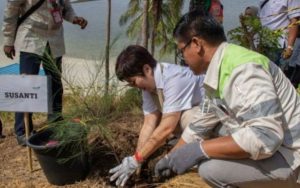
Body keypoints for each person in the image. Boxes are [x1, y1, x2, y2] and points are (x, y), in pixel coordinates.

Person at [155, 10, 300, 188]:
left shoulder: (244, 70)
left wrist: (200, 150)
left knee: (210, 169)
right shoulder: (218, 70)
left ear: (196, 44)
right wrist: (171, 158)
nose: (182, 58)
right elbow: (199, 126)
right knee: (204, 125)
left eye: (182, 51)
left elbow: (266, 137)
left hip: (291, 157)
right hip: (277, 149)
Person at [109, 45, 206, 187]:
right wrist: (137, 162)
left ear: (147, 69)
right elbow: (149, 123)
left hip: (216, 121)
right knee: (171, 120)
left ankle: (200, 159)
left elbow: (167, 127)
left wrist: (136, 159)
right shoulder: (148, 86)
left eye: (133, 82)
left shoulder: (174, 79)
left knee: (188, 117)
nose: (134, 86)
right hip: (190, 124)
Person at [2, 0, 88, 146]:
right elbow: (11, 11)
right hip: (31, 38)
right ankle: (23, 131)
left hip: (54, 40)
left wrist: (74, 18)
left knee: (55, 83)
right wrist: (8, 41)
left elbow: (66, 8)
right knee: (26, 86)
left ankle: (55, 124)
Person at [259, 0, 300, 67]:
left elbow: (294, 21)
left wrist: (290, 47)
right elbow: (262, 21)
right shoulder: (262, 1)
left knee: (273, 73)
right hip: (263, 43)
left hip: (278, 45)